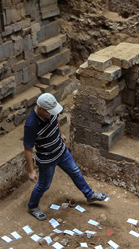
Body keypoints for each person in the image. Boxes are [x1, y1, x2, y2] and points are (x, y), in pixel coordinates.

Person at [23, 93, 107, 221]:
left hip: (61, 151)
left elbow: (55, 118)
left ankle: (89, 195)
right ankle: (33, 206)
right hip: (47, 160)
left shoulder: (50, 112)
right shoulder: (31, 125)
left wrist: (60, 133)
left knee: (75, 171)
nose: (51, 114)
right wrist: (31, 170)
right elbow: (27, 149)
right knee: (43, 185)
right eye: (49, 112)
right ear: (40, 109)